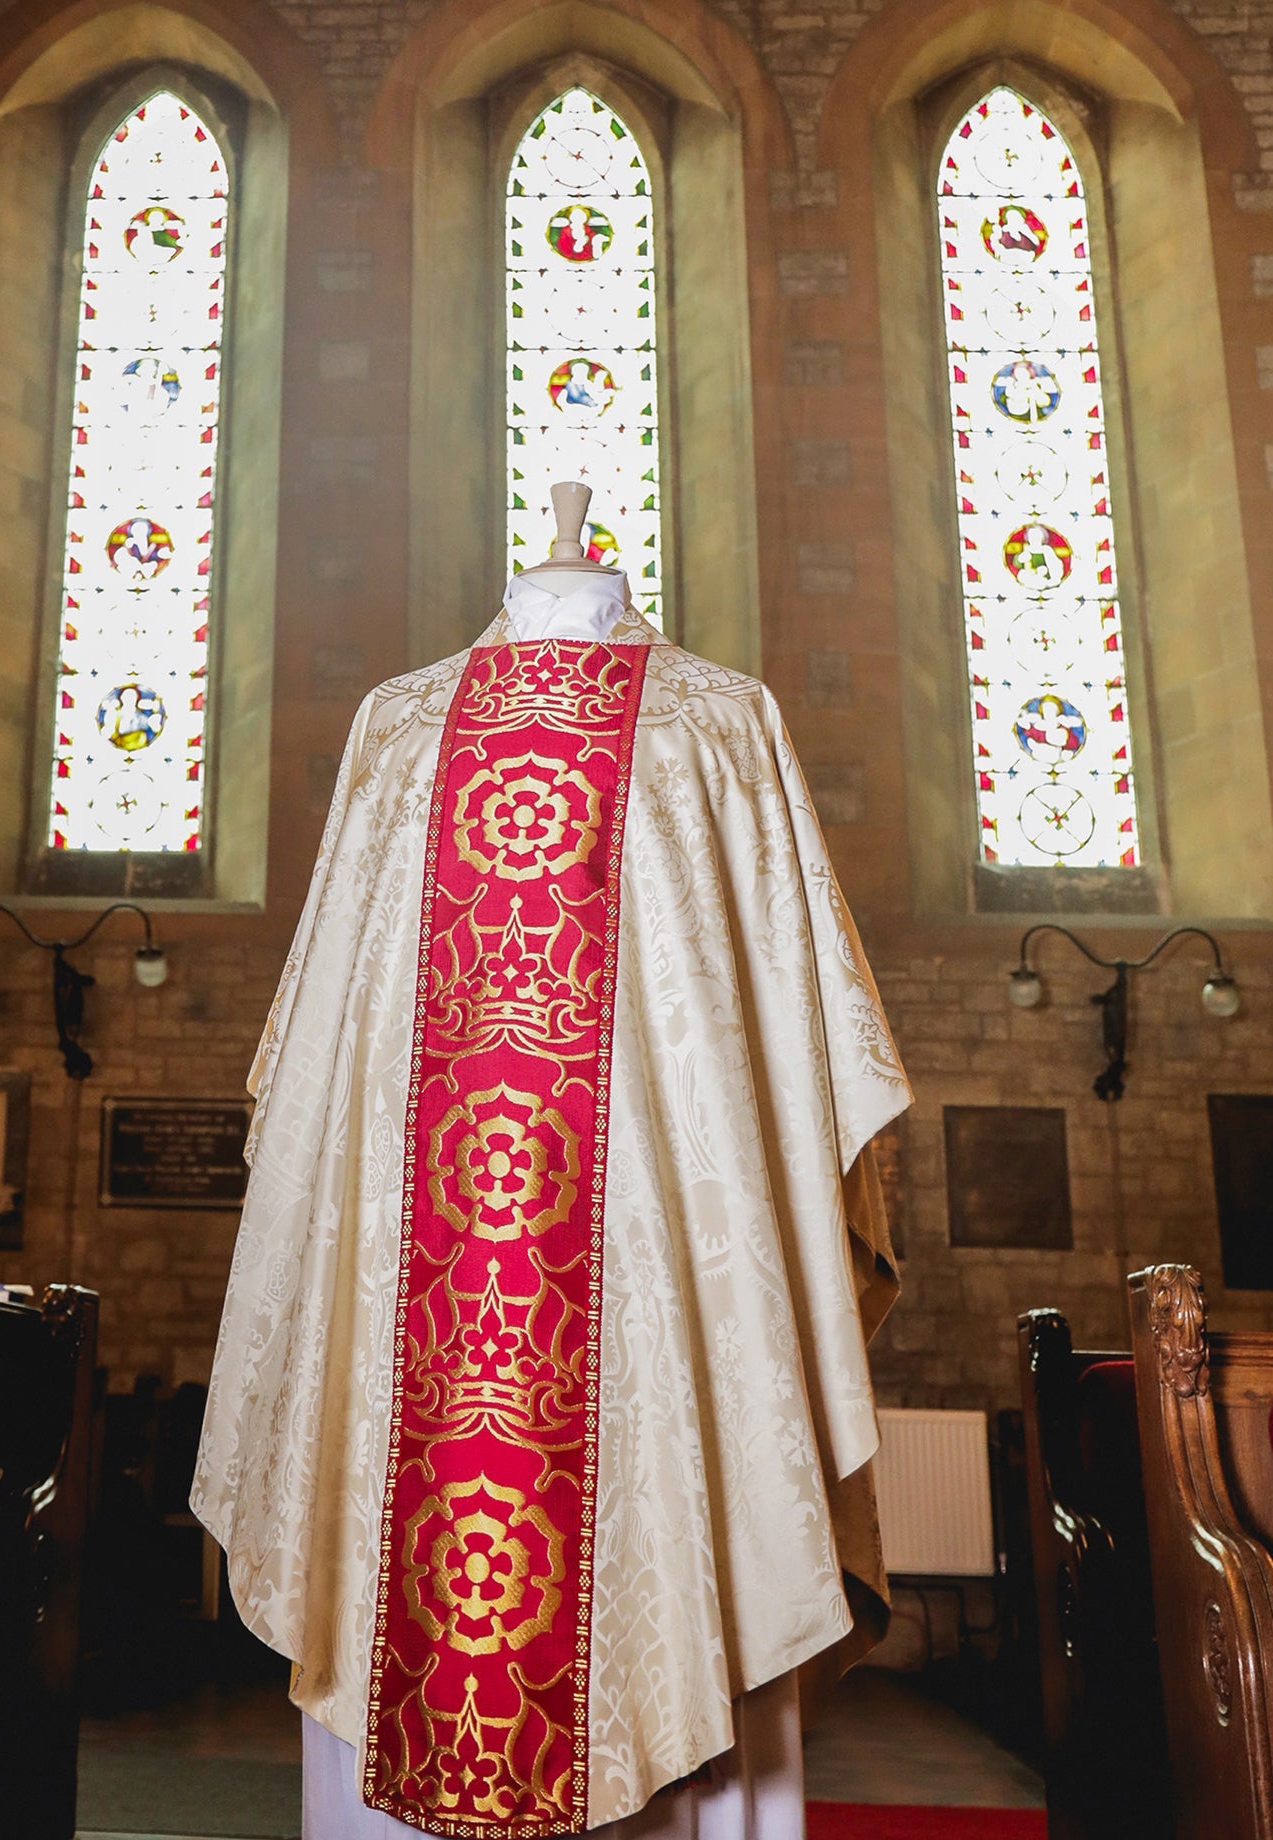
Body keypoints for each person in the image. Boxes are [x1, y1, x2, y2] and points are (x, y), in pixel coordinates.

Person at [193, 562, 910, 1837]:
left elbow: (786, 1031)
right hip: (449, 1297)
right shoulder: (399, 723)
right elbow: (323, 1054)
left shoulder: (716, 719)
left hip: (652, 1287)